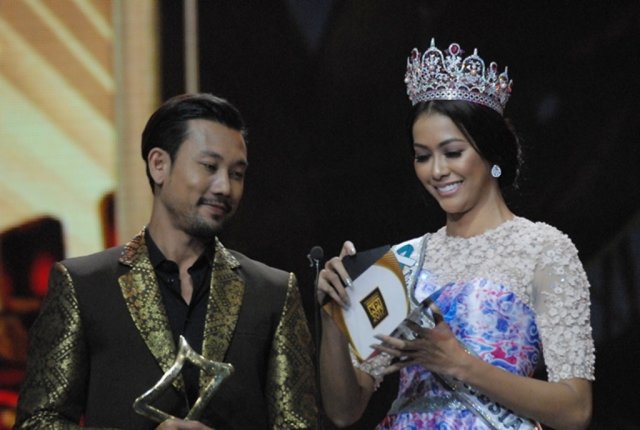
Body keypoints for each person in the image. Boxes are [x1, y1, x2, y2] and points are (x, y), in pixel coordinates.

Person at [318, 39, 595, 429]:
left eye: (452, 152)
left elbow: (575, 410)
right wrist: (334, 317)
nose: (436, 171)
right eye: (423, 156)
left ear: (491, 151)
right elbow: (344, 410)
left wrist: (460, 364)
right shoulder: (404, 261)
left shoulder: (544, 250)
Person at [14, 93, 317, 429]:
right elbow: (37, 422)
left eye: (237, 173)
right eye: (209, 166)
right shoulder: (83, 285)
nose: (225, 187)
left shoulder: (273, 292)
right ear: (159, 165)